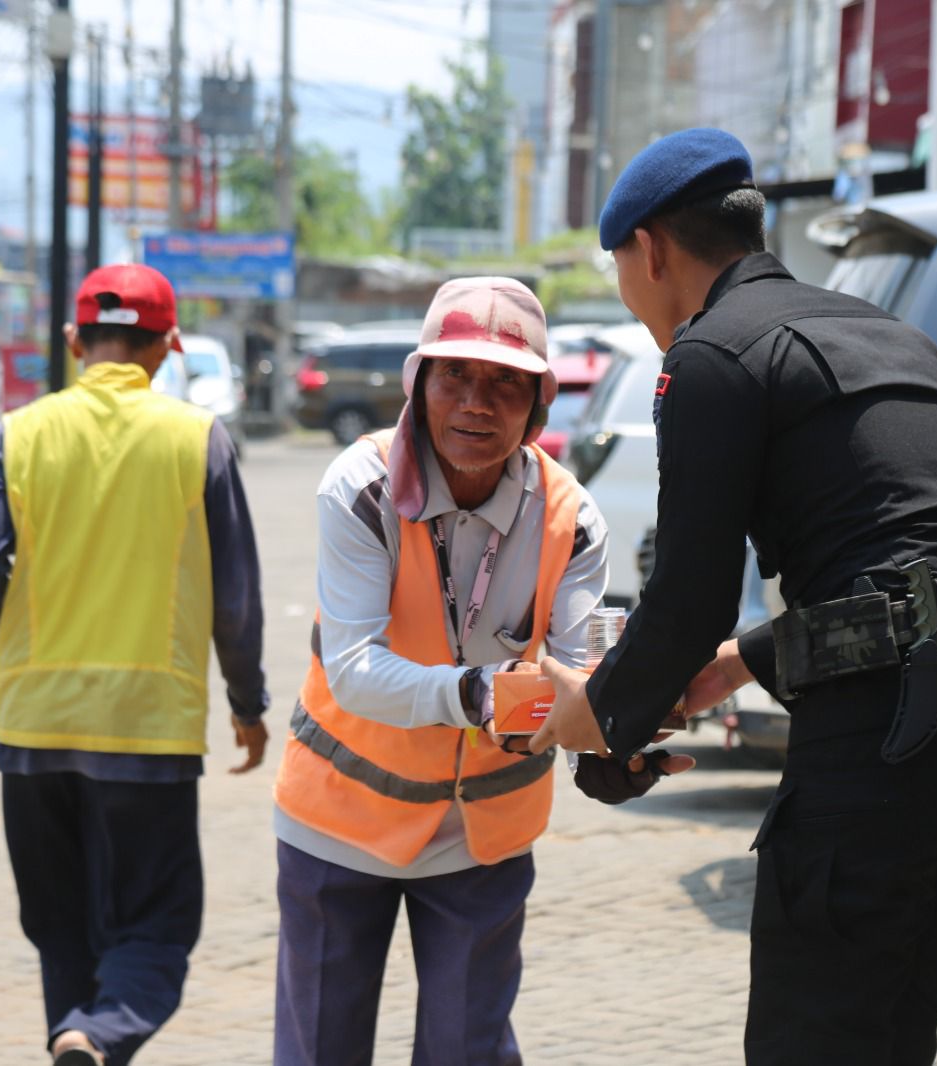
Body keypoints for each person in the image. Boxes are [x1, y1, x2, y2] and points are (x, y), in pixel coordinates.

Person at [529, 129, 937, 1065]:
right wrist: (737, 663)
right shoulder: (890, 334)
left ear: (649, 249)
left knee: (812, 1043)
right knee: (893, 1037)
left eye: (621, 264)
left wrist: (601, 717)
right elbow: (913, 562)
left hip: (889, 746)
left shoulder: (710, 355)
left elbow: (687, 598)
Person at [272, 276, 689, 1066]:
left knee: (468, 1051)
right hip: (340, 819)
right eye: (455, 374)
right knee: (320, 1047)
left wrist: (610, 739)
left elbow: (576, 665)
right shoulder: (359, 491)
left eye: (506, 382)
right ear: (417, 384)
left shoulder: (574, 517)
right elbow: (354, 667)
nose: (476, 401)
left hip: (483, 837)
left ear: (539, 406)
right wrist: (480, 692)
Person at [0, 264, 270, 1066]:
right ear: (168, 348)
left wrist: (27, 635)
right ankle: (99, 1034)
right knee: (155, 927)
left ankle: (78, 1038)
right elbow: (234, 601)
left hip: (32, 724)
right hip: (146, 731)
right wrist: (246, 702)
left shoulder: (20, 434)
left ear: (73, 341)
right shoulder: (197, 438)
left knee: (60, 929)